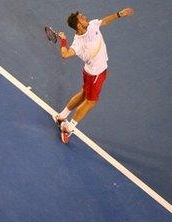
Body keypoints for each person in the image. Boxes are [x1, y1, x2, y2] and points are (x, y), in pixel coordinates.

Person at [55, 8, 134, 143]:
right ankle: (68, 127)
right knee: (91, 101)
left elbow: (104, 21)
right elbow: (65, 54)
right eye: (82, 18)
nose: (85, 17)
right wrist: (63, 41)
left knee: (84, 94)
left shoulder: (92, 24)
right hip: (94, 74)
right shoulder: (78, 43)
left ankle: (61, 116)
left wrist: (119, 14)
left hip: (93, 72)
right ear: (79, 25)